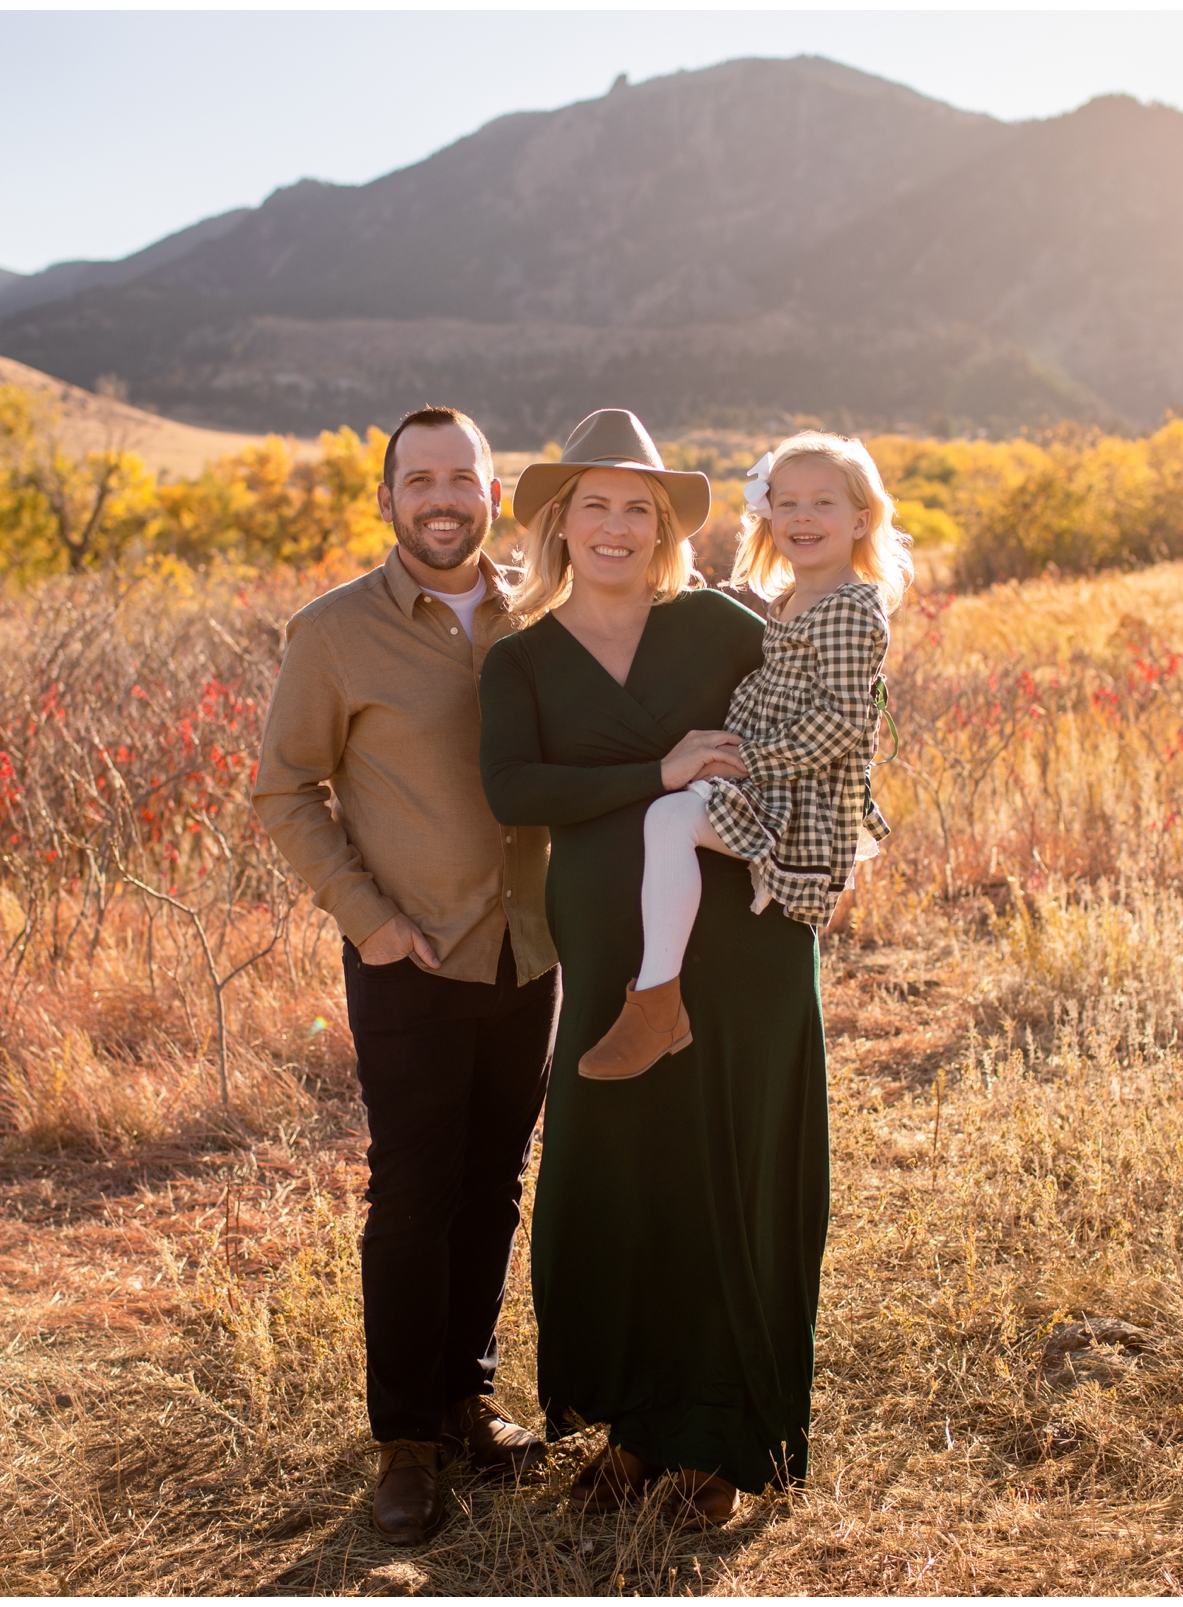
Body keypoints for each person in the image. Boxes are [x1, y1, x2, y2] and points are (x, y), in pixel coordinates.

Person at [479, 408, 830, 1529]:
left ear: (668, 527)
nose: (619, 525)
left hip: (744, 948)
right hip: (610, 960)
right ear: (559, 524)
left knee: (726, 1174)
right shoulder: (523, 657)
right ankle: (635, 1425)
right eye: (597, 505)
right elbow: (515, 793)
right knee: (620, 1175)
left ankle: (716, 1442)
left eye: (641, 507)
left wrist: (840, 840)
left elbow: (845, 708)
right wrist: (658, 764)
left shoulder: (725, 625)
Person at [251, 405, 560, 1547]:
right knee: (415, 1196)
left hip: (530, 949)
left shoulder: (543, 612)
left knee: (496, 1185)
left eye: (461, 478)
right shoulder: (334, 632)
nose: (441, 498)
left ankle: (466, 1400)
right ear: (387, 499)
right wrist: (366, 918)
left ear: (494, 493)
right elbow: (285, 789)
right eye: (418, 479)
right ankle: (405, 1442)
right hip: (412, 956)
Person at [581, 432, 911, 1080]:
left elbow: (844, 723)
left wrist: (749, 761)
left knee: (668, 820)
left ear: (861, 519)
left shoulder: (851, 608)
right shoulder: (795, 597)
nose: (802, 517)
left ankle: (655, 1003)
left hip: (798, 795)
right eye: (786, 503)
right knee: (667, 816)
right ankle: (656, 998)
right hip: (772, 775)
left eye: (823, 502)